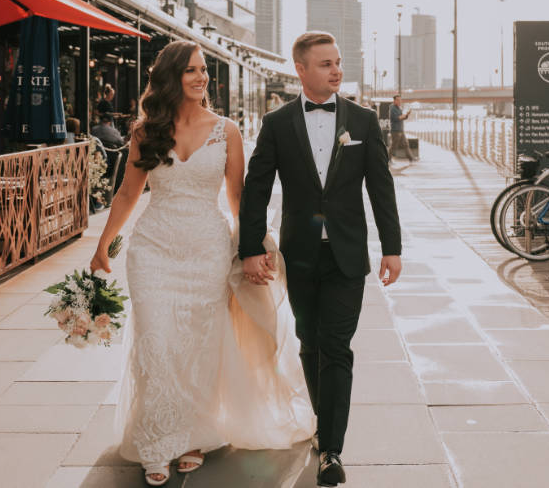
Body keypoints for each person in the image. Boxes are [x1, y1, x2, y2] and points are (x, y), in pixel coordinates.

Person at [91, 41, 313, 486]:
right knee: (157, 340)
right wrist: (103, 245)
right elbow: (128, 193)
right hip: (153, 249)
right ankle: (156, 440)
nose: (201, 78)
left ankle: (193, 436)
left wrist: (253, 245)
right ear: (171, 77)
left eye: (204, 70)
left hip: (207, 250)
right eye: (191, 70)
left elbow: (237, 198)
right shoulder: (145, 131)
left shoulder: (226, 130)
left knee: (199, 343)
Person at [239, 31, 403, 487]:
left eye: (338, 62)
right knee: (310, 343)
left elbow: (381, 188)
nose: (336, 70)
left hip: (348, 255)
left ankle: (331, 448)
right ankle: (318, 420)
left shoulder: (365, 121)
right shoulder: (277, 123)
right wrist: (250, 247)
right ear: (301, 69)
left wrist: (393, 247)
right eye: (326, 63)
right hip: (301, 254)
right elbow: (255, 189)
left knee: (336, 347)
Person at [388, 95, 414, 162]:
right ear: (394, 101)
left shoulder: (399, 108)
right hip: (395, 130)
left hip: (401, 129)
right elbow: (396, 118)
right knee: (394, 145)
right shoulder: (392, 108)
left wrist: (407, 115)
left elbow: (402, 118)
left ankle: (411, 158)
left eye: (400, 100)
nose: (400, 101)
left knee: (406, 144)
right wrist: (404, 116)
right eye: (398, 100)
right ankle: (387, 158)